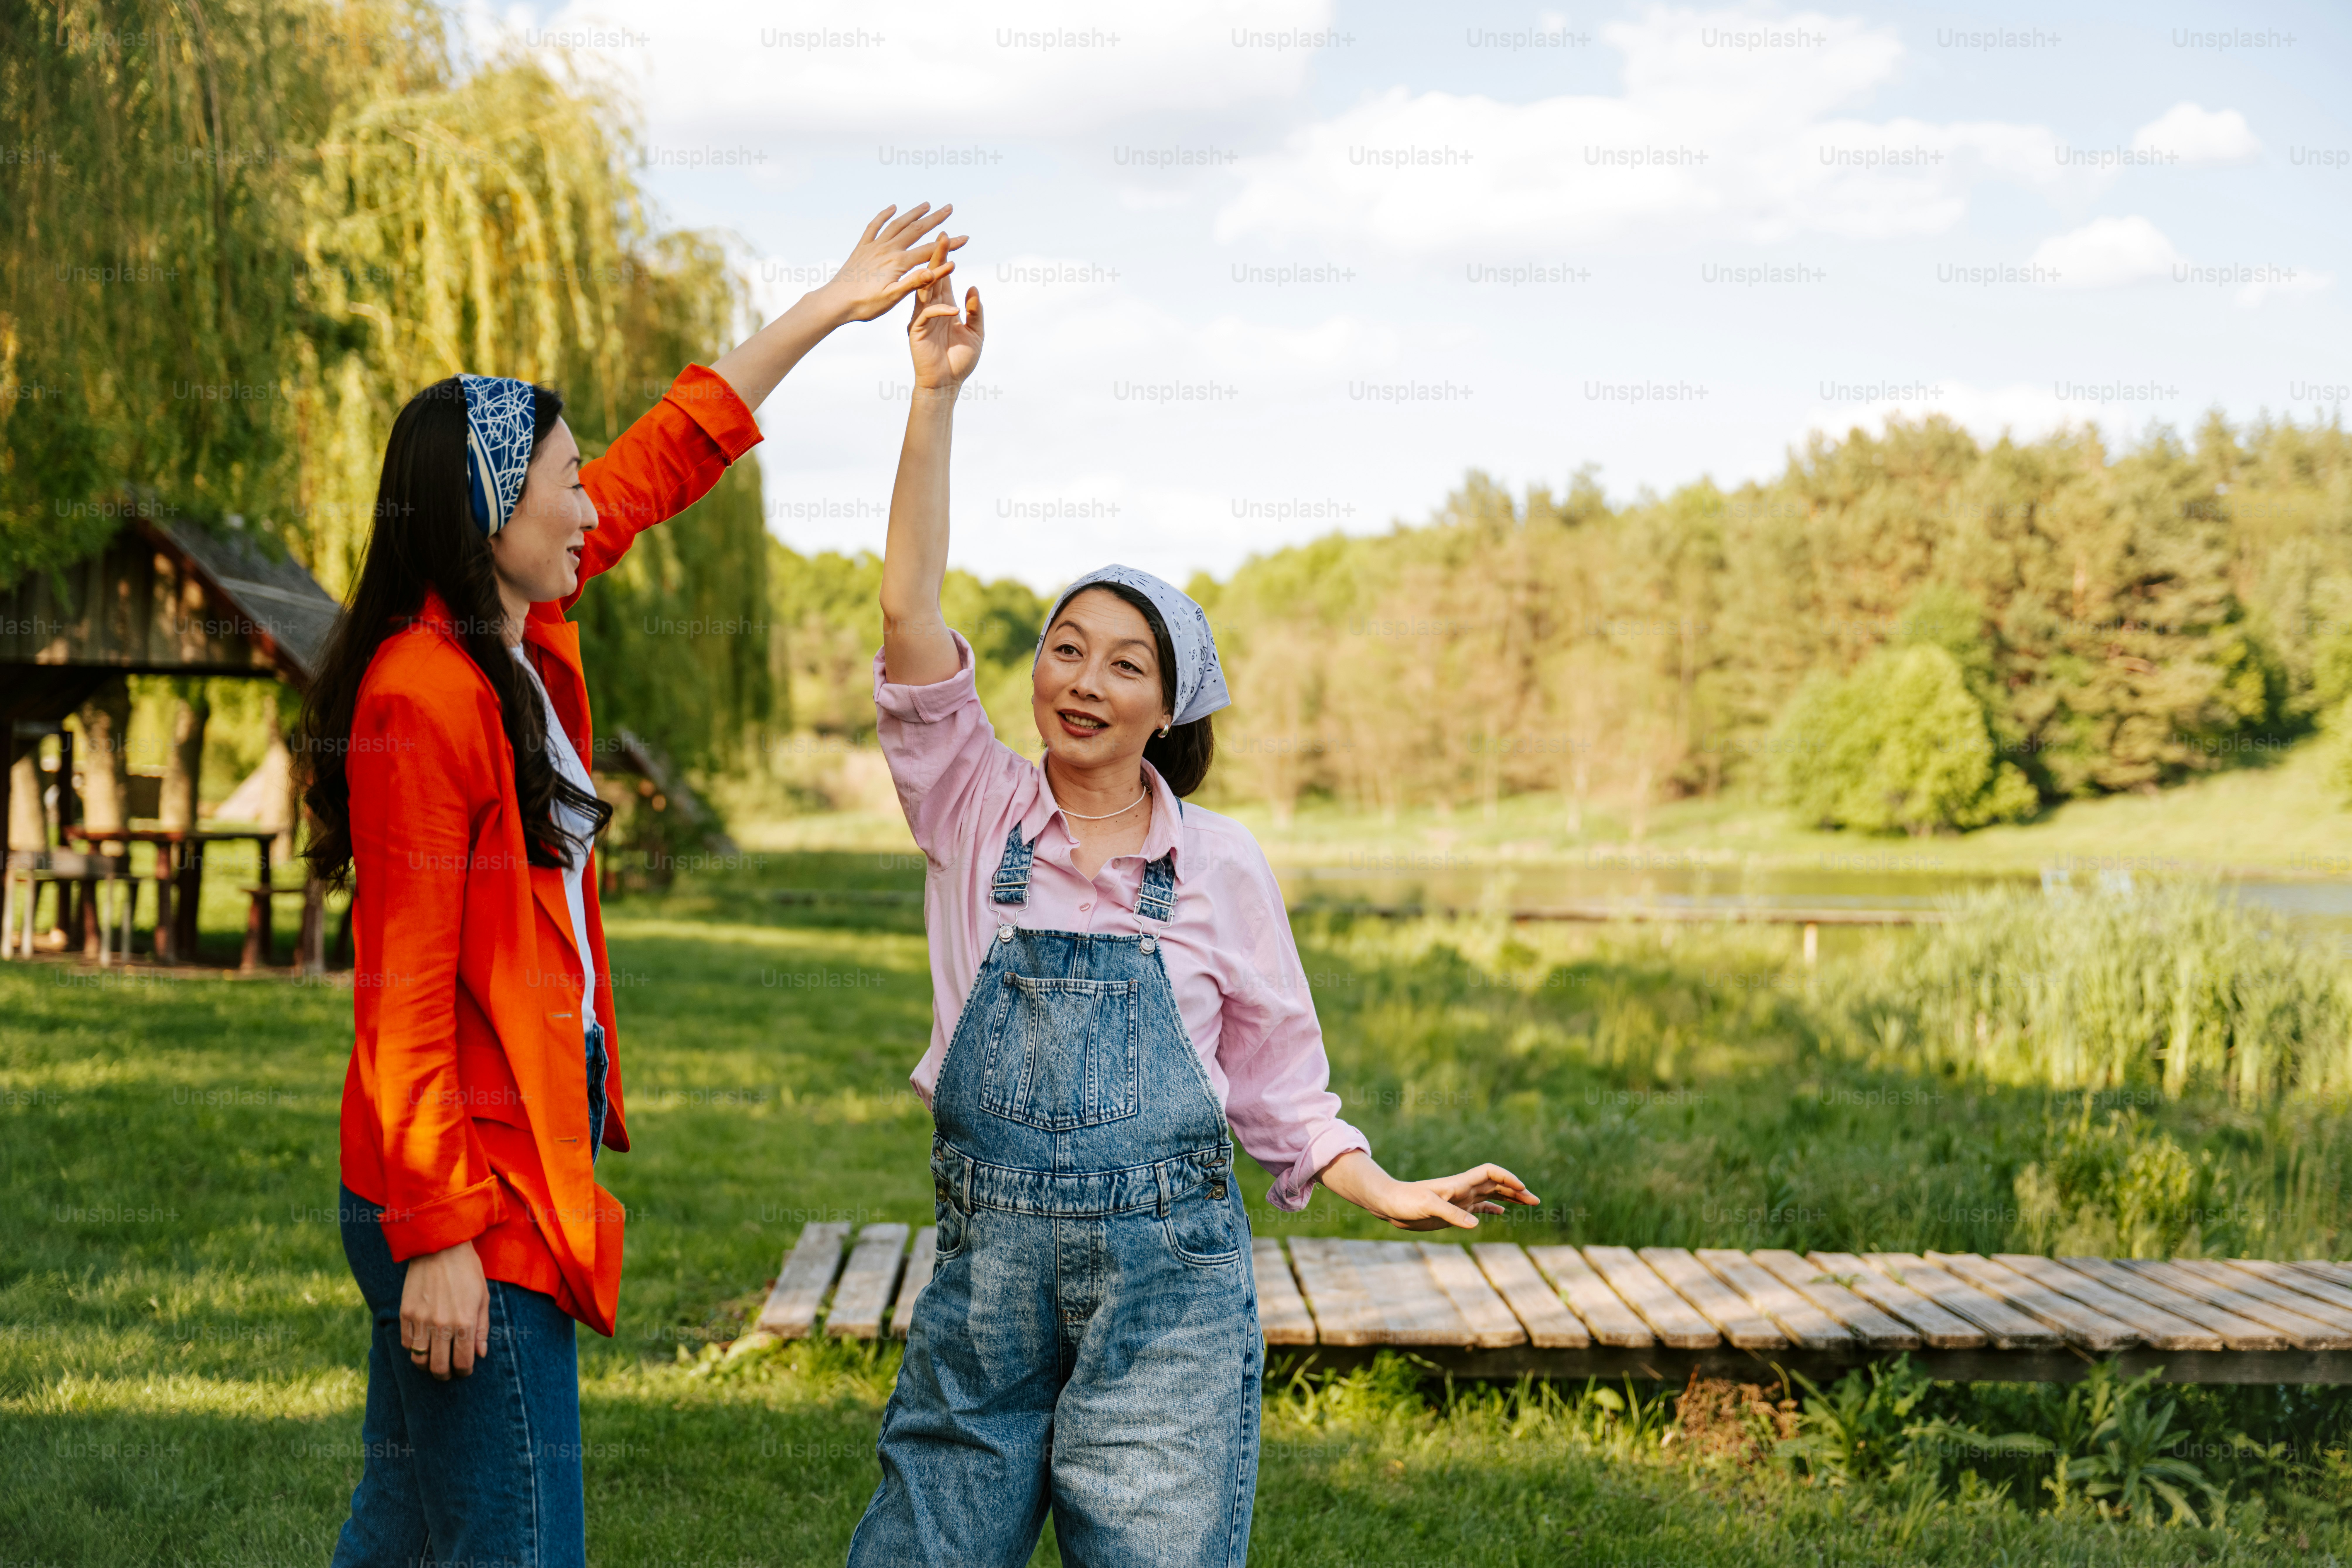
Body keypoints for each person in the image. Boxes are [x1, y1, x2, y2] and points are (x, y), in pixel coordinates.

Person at [849, 240, 1538, 1567]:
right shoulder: (969, 803)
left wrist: (1379, 1185)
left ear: (1168, 708)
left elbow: (1276, 1081)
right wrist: (934, 395)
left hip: (1167, 1305)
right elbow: (905, 605)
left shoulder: (1220, 864)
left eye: (1125, 663)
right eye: (1065, 648)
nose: (1083, 680)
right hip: (985, 1288)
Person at [297, 204, 967, 1568]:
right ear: (494, 512)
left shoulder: (518, 622)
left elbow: (675, 445)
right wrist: (439, 1236)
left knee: (409, 1531)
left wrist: (830, 307)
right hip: (474, 1189)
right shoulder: (422, 695)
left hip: (497, 1153)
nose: (591, 498)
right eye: (563, 480)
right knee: (520, 1539)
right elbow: (406, 993)